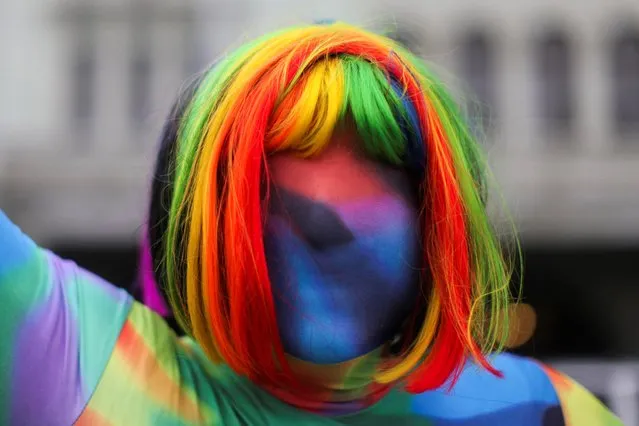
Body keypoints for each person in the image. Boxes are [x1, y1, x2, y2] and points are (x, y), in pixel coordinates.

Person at [0, 22, 622, 425]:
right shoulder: (86, 364)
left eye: (382, 164)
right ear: (194, 216)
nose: (327, 211)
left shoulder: (540, 412)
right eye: (271, 168)